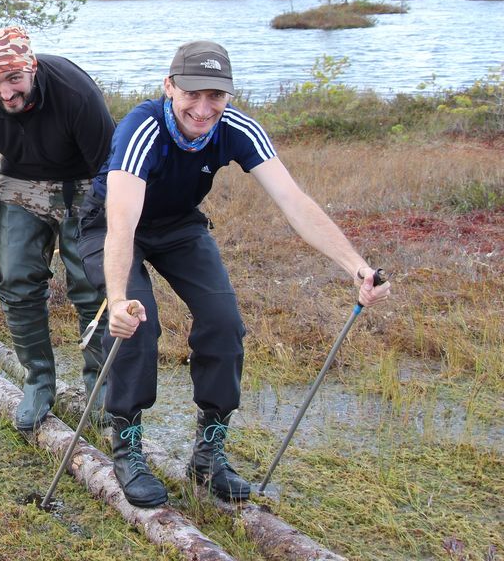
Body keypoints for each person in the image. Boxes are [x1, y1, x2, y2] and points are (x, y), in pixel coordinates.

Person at [79, 40, 392, 508]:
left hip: (179, 225)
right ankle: (127, 446)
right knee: (139, 325)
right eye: (191, 94)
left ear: (228, 95)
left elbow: (295, 202)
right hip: (111, 225)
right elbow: (122, 223)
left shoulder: (238, 127)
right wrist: (120, 298)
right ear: (169, 87)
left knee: (225, 322)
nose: (203, 109)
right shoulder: (140, 128)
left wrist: (358, 268)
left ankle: (209, 453)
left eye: (216, 96)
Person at [0, 26, 116, 431]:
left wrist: (112, 240)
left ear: (32, 68)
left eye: (15, 79)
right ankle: (39, 382)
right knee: (15, 278)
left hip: (85, 185)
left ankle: (100, 387)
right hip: (18, 187)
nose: (6, 92)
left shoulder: (75, 92)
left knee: (92, 283)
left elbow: (109, 168)